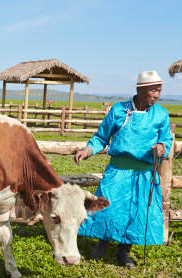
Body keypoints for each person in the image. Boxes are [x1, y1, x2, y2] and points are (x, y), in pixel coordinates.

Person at [73, 70, 173, 267]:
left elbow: (166, 139)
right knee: (107, 207)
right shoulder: (119, 110)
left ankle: (123, 252)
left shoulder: (161, 114)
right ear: (140, 89)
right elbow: (102, 137)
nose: (156, 95)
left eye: (159, 91)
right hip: (118, 171)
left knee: (136, 212)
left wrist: (161, 147)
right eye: (152, 90)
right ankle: (102, 242)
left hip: (144, 174)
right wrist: (87, 150)